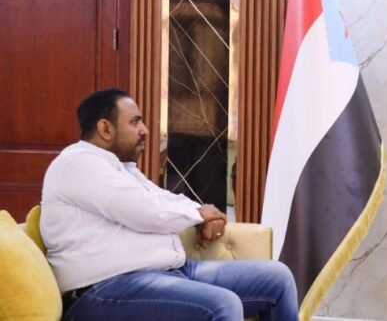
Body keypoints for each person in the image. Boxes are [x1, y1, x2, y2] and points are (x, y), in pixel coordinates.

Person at [40, 88, 298, 321]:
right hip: (106, 290)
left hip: (169, 273)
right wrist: (199, 214)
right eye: (135, 122)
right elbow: (146, 213)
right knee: (221, 304)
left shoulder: (121, 168)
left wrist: (201, 213)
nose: (145, 130)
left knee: (277, 278)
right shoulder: (78, 163)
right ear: (105, 129)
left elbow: (165, 200)